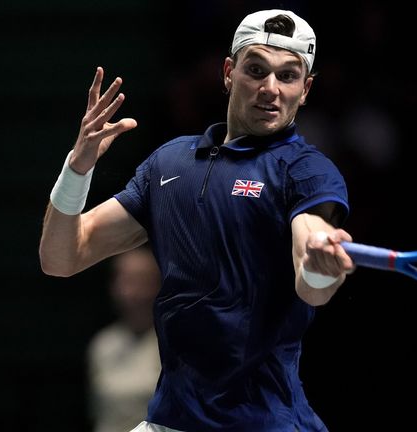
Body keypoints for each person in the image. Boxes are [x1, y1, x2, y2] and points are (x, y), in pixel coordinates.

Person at [40, 9, 354, 432]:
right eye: (256, 70)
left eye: (287, 76)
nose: (270, 89)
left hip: (262, 424)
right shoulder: (170, 162)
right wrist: (76, 169)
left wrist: (319, 266)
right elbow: (62, 257)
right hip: (171, 420)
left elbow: (311, 266)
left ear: (306, 88)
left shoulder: (305, 170)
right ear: (229, 72)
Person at [87, 246, 161, 432]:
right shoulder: (102, 344)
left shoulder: (174, 347)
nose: (132, 292)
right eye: (126, 280)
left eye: (142, 281)